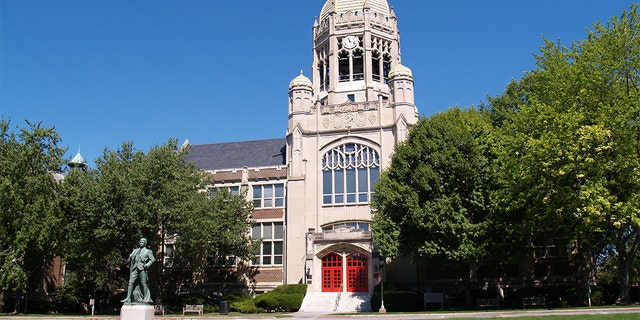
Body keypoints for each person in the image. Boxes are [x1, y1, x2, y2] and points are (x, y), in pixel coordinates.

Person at [121, 237, 155, 303]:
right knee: (131, 282)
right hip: (135, 268)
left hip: (142, 268)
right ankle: (128, 298)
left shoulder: (148, 251)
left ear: (145, 243)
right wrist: (130, 257)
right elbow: (131, 257)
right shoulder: (135, 250)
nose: (141, 243)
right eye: (140, 242)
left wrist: (147, 265)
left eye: (142, 242)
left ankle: (146, 298)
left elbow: (152, 260)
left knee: (143, 283)